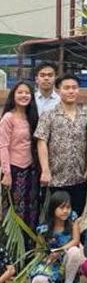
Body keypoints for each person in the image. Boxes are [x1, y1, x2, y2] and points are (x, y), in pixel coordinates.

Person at [35, 73, 87, 216]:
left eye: (74, 88)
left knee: (76, 216)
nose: (71, 91)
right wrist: (45, 170)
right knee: (55, 219)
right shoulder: (48, 115)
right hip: (55, 179)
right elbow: (41, 142)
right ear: (58, 90)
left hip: (79, 178)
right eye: (66, 88)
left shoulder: (85, 116)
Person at [0, 80, 41, 232]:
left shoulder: (33, 117)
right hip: (14, 170)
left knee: (32, 208)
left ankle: (30, 248)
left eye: (27, 93)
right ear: (13, 95)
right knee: (14, 210)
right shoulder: (8, 118)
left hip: (31, 170)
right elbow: (2, 146)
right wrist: (7, 173)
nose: (24, 95)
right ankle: (13, 250)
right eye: (20, 92)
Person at [30, 190, 85, 283]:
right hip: (51, 263)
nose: (65, 211)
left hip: (66, 259)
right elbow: (38, 250)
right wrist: (46, 257)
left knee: (74, 251)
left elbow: (76, 240)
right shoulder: (44, 228)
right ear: (53, 208)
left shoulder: (72, 219)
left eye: (68, 207)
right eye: (61, 208)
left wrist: (59, 251)